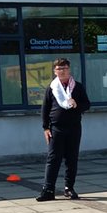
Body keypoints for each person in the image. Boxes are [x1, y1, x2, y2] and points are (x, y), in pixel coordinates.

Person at [37, 58, 91, 201]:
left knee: (71, 159)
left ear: (69, 69)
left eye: (65, 68)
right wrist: (45, 127)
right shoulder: (52, 88)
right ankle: (48, 190)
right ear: (55, 71)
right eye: (59, 69)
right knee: (53, 159)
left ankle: (69, 188)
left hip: (74, 128)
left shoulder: (77, 87)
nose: (62, 71)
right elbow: (45, 108)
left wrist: (76, 104)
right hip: (56, 128)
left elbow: (87, 104)